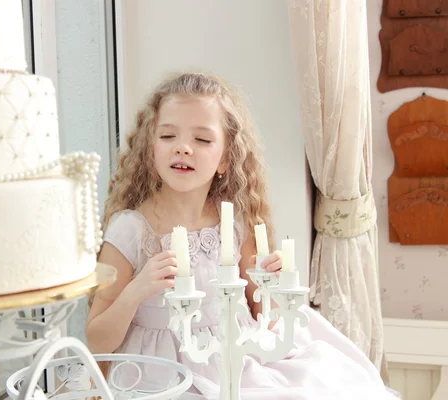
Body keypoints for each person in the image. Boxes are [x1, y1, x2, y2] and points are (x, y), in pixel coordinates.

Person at [85, 72, 399, 399]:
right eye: (167, 136)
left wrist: (269, 284)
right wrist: (136, 290)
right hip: (164, 376)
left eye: (202, 140)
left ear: (225, 159)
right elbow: (96, 339)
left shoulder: (233, 223)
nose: (183, 148)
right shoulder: (130, 229)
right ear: (151, 149)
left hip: (238, 360)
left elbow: (266, 318)